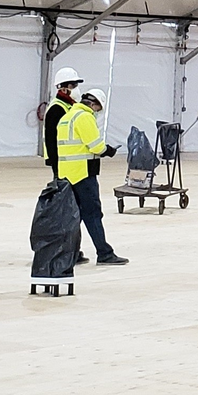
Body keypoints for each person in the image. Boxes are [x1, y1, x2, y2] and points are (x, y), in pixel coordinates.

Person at [58, 88, 126, 266]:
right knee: (93, 213)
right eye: (98, 109)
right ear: (94, 104)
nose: (97, 112)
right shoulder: (84, 117)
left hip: (66, 174)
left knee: (73, 216)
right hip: (83, 173)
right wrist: (109, 150)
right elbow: (95, 146)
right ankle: (104, 253)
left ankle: (69, 253)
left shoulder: (67, 117)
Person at [43, 67, 82, 174]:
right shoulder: (56, 108)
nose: (76, 88)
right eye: (73, 85)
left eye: (76, 85)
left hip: (67, 159)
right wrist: (54, 160)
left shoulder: (69, 105)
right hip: (60, 159)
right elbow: (51, 137)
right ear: (63, 88)